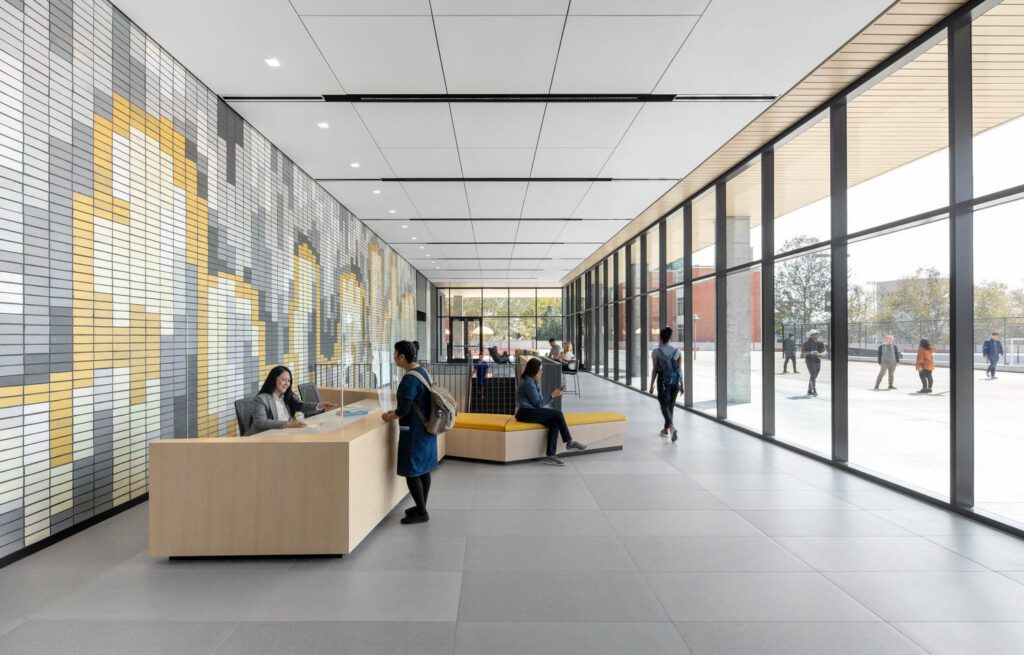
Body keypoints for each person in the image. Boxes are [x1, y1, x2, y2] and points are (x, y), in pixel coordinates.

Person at [381, 341, 438, 524]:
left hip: (414, 431)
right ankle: (421, 507)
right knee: (423, 470)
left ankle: (421, 512)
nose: (394, 356)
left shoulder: (409, 379)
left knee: (412, 471)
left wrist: (390, 416)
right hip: (428, 428)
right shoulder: (423, 372)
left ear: (402, 357)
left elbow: (404, 409)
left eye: (395, 353)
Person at [515, 357, 587, 466]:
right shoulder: (529, 383)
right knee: (558, 413)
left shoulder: (532, 380)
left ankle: (551, 456)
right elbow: (538, 404)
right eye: (540, 369)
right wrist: (553, 395)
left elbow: (537, 403)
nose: (542, 371)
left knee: (554, 423)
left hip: (529, 411)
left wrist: (553, 395)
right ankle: (569, 442)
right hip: (526, 412)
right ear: (534, 370)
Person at [250, 365, 333, 435]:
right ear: (273, 379)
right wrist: (288, 424)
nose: (287, 384)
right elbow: (261, 422)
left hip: (285, 434)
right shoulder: (261, 399)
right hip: (264, 438)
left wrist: (319, 405)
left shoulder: (287, 396)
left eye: (289, 381)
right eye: (283, 380)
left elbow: (301, 406)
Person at [650, 326, 683, 441]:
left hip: (663, 381)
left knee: (664, 405)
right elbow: (679, 369)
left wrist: (651, 385)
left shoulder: (656, 352)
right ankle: (666, 429)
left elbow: (655, 369)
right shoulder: (677, 351)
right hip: (675, 382)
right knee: (671, 405)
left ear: (660, 338)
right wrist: (682, 384)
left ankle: (672, 428)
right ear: (670, 338)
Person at [801, 329, 826, 397]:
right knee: (813, 375)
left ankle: (809, 390)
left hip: (817, 360)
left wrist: (822, 354)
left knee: (814, 376)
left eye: (816, 334)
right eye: (814, 334)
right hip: (809, 360)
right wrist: (811, 352)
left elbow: (824, 350)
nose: (816, 335)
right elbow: (802, 352)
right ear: (811, 335)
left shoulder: (820, 342)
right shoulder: (806, 343)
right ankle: (814, 390)